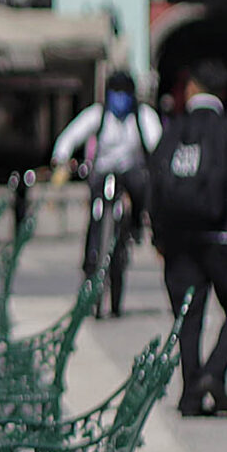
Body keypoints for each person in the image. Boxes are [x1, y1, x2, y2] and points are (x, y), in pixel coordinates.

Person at [150, 59, 227, 416]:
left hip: (178, 238)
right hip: (221, 235)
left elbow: (154, 182)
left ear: (192, 89)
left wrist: (158, 237)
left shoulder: (173, 129)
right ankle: (213, 373)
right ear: (224, 92)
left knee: (188, 313)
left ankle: (189, 393)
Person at [51, 82, 161, 317]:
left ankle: (135, 225)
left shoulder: (143, 116)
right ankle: (92, 258)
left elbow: (157, 144)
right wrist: (61, 158)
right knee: (96, 216)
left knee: (142, 186)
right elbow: (72, 135)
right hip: (102, 173)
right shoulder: (98, 115)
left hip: (131, 173)